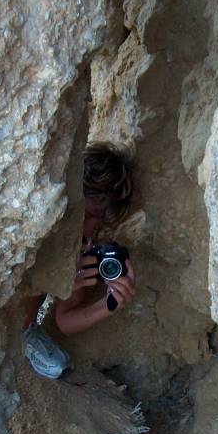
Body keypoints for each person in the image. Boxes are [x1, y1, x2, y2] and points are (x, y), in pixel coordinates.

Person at [22, 141, 137, 378]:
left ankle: (26, 331)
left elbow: (66, 321)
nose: (91, 226)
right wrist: (53, 275)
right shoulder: (39, 212)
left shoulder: (84, 246)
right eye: (89, 213)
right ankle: (20, 330)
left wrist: (110, 303)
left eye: (99, 220)